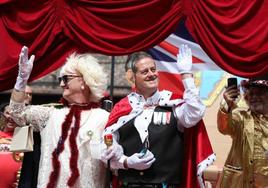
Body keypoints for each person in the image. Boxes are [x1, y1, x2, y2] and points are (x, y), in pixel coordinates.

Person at [102, 45, 215, 188]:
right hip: (129, 184)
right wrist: (127, 162)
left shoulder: (172, 103)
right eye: (144, 71)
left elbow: (196, 112)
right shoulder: (122, 108)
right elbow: (105, 148)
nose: (151, 74)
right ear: (133, 78)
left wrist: (186, 74)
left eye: (153, 69)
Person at [9, 46, 109, 188]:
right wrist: (21, 80)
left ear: (84, 81)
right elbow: (15, 113)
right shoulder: (50, 114)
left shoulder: (104, 118)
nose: (61, 84)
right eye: (60, 79)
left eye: (66, 78)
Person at [217, 75, 268, 188]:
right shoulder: (240, 117)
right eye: (251, 94)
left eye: (259, 93)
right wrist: (227, 106)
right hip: (242, 182)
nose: (254, 97)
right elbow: (224, 128)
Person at [0, 102, 23, 188]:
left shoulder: (25, 137)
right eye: (8, 113)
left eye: (15, 114)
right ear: (2, 115)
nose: (11, 117)